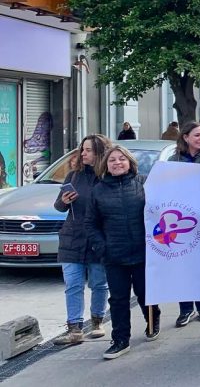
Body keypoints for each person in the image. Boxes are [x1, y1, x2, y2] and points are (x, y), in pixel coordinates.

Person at [85, 145, 160, 360]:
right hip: (114, 255)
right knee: (118, 299)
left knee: (145, 293)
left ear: (130, 162)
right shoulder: (98, 190)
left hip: (143, 252)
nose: (117, 163)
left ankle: (153, 320)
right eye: (112, 160)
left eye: (121, 159)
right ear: (105, 165)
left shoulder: (144, 183)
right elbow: (91, 224)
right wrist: (102, 247)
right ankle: (120, 339)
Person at [52, 134, 112, 346]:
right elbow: (59, 206)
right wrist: (64, 201)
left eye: (88, 150)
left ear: (99, 152)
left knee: (98, 283)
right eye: (82, 149)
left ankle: (97, 321)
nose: (83, 153)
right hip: (72, 237)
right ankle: (75, 328)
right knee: (73, 284)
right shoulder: (73, 176)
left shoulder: (107, 177)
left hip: (97, 238)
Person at [167, 122, 200, 327]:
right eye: (197, 135)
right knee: (184, 265)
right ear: (185, 137)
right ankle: (185, 309)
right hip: (181, 220)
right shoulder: (173, 160)